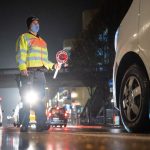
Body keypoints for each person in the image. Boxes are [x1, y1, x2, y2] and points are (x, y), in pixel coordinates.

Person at [16, 16, 61, 132]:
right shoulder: (24, 37)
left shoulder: (43, 42)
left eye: (38, 23)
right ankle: (24, 124)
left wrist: (53, 65)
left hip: (40, 74)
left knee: (40, 99)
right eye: (34, 23)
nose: (37, 25)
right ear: (29, 25)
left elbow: (44, 60)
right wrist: (22, 68)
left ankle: (41, 123)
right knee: (26, 99)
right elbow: (21, 54)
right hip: (28, 72)